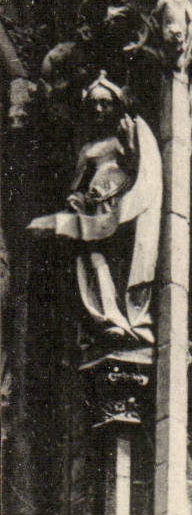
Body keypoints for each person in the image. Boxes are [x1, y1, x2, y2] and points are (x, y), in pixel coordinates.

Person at [26, 71, 161, 349]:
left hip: (121, 202)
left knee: (121, 256)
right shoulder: (87, 149)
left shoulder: (122, 139)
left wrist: (133, 143)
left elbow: (141, 168)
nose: (99, 109)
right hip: (95, 206)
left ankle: (129, 315)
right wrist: (77, 201)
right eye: (94, 105)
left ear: (116, 106)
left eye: (105, 103)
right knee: (91, 256)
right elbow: (77, 185)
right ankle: (108, 316)